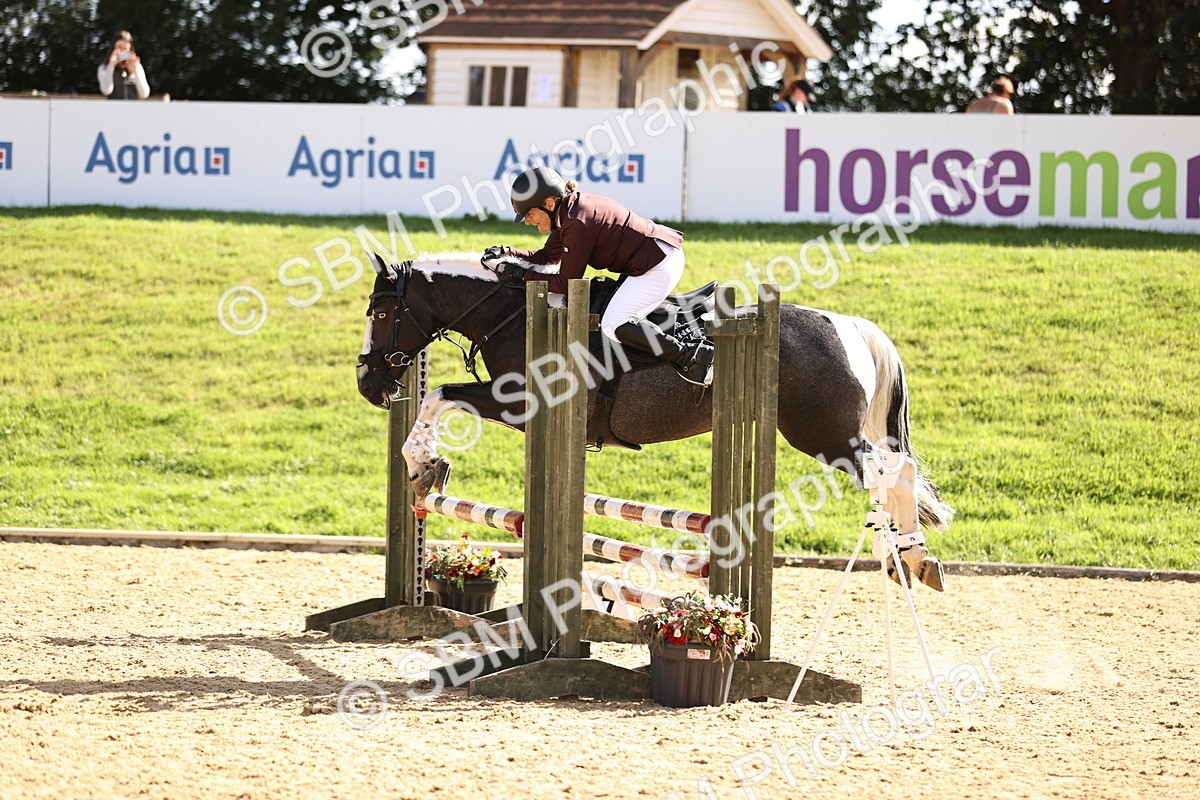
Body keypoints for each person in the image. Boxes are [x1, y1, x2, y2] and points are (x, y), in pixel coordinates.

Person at [483, 166, 714, 386]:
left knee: (614, 324)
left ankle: (691, 356)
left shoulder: (576, 223)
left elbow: (565, 284)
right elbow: (546, 256)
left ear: (549, 203)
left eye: (530, 214)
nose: (528, 221)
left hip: (658, 264)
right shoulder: (567, 214)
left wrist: (522, 275)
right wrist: (508, 252)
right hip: (651, 258)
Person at [98, 30, 150, 100]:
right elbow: (106, 91)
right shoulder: (104, 67)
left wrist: (134, 71)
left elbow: (144, 94)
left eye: (125, 49)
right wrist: (111, 66)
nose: (122, 52)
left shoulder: (137, 67)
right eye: (119, 47)